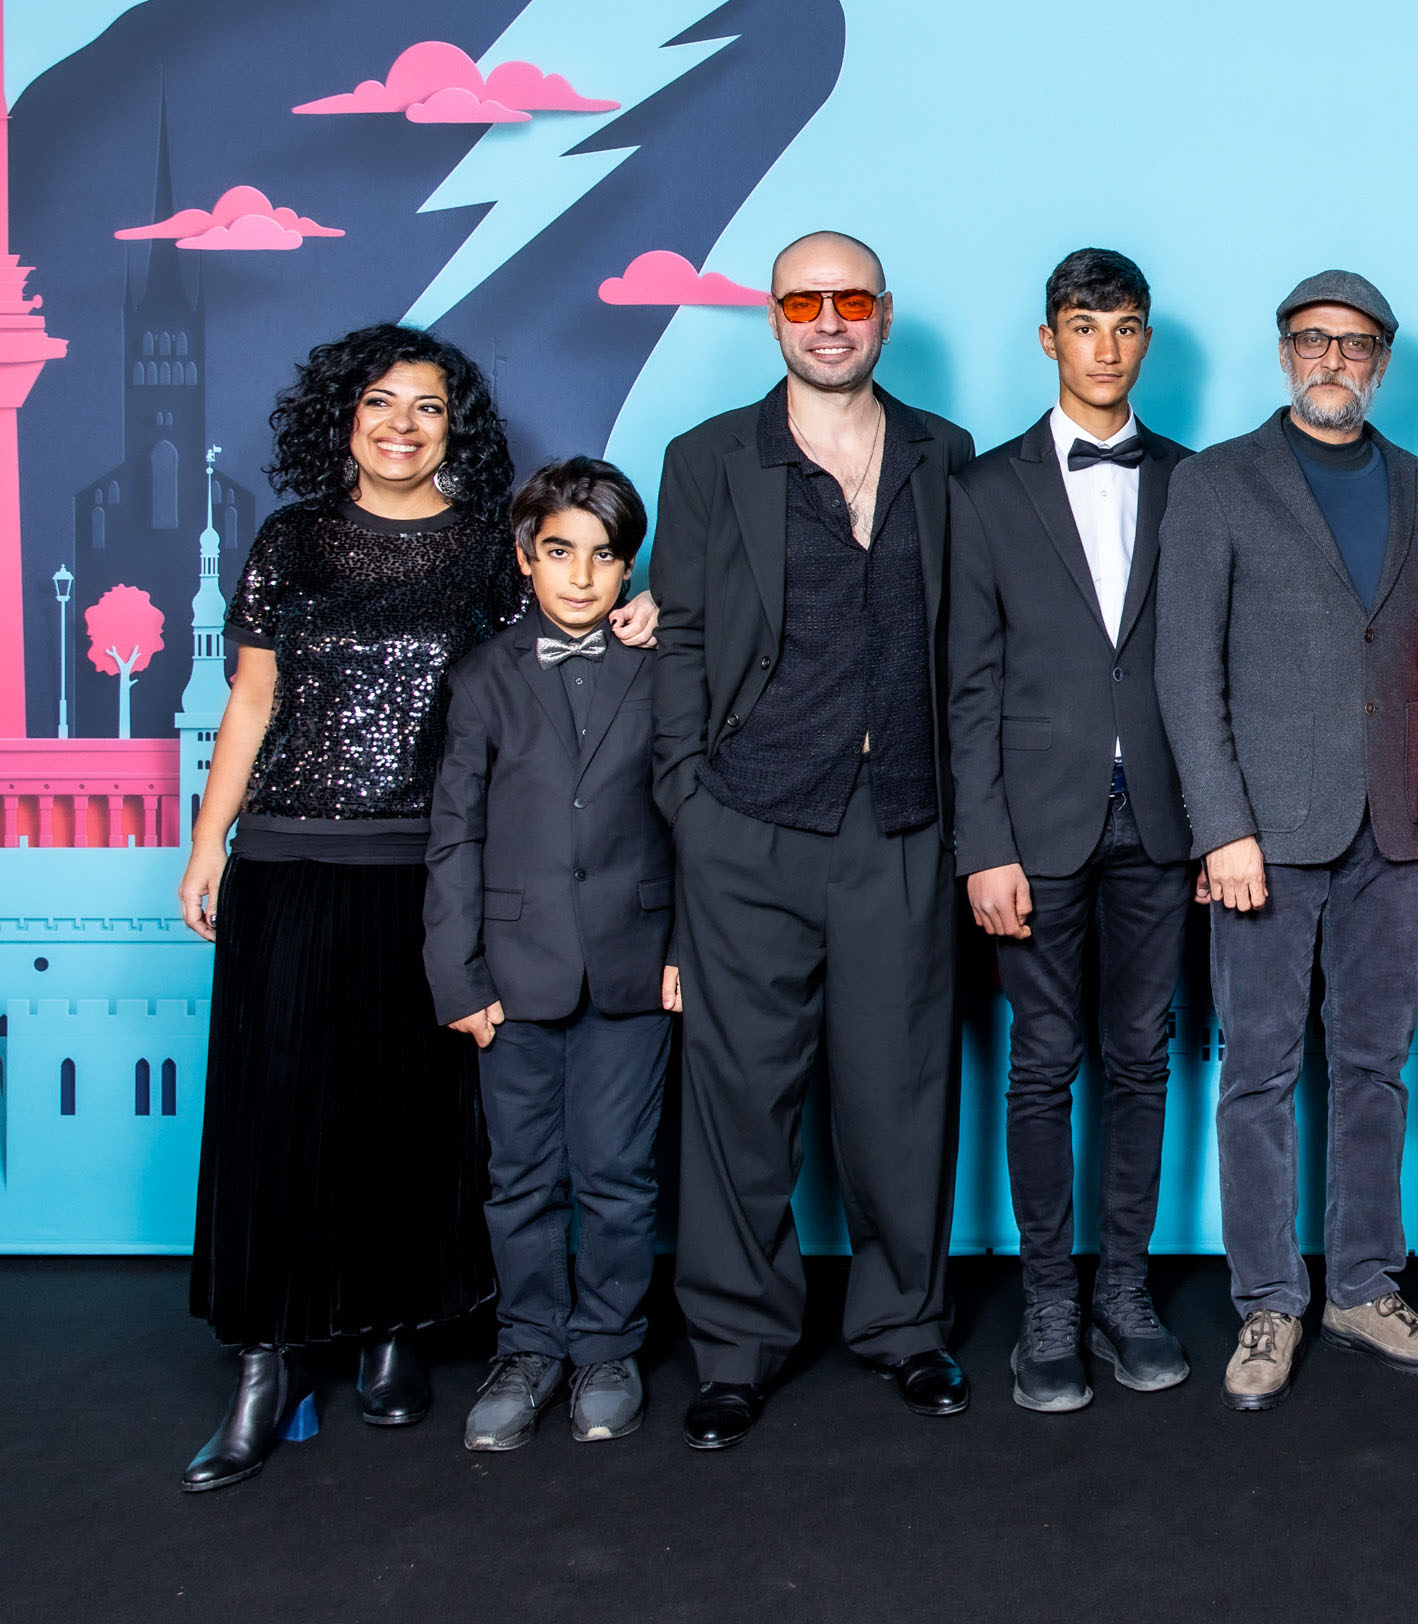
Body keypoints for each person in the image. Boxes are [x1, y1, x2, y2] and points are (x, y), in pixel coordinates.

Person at [173, 324, 657, 1491]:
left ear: (456, 426)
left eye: (428, 406)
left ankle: (394, 1328)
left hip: (435, 871)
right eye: (381, 402)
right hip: (292, 856)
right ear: (343, 418)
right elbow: (252, 699)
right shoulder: (292, 538)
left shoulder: (494, 546)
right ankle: (267, 1360)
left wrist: (646, 612)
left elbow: (557, 641)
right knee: (280, 1113)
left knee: (413, 1116)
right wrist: (207, 838)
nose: (402, 424)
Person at [648, 231, 978, 1450]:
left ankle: (905, 1324)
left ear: (883, 313)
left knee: (903, 1094)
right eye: (803, 302)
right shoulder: (707, 458)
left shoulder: (947, 454)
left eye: (849, 299)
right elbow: (681, 632)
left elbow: (973, 644)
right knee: (740, 1099)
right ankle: (736, 1346)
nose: (827, 320)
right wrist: (689, 795)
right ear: (773, 316)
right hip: (747, 821)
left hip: (901, 820)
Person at [1157, 269, 1418, 1410]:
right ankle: (1270, 1301)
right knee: (1260, 1073)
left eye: (1356, 343)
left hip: (1394, 827)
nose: (1334, 359)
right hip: (1265, 838)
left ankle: (1365, 1286)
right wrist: (1222, 828)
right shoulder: (1217, 480)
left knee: (1376, 1067)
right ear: (1285, 352)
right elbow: (1187, 671)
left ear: (1382, 360)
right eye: (1313, 339)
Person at [948, 248, 1195, 1412]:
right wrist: (983, 844)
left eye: (1127, 325)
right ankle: (1049, 1298)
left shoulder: (1195, 480)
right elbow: (967, 682)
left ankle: (1126, 1291)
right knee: (1043, 1064)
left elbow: (1213, 661)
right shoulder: (984, 489)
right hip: (1034, 825)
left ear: (1146, 339)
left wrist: (1218, 824)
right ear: (1049, 339)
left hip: (1163, 819)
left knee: (1142, 1058)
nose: (1107, 346)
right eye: (1086, 325)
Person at [424, 457, 678, 1450]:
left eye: (604, 556)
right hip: (512, 972)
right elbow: (455, 836)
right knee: (523, 1178)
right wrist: (458, 974)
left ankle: (608, 1346)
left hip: (634, 962)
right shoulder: (482, 676)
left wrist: (687, 948)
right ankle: (528, 1346)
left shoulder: (665, 665)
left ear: (629, 566)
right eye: (561, 551)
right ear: (526, 555)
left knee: (618, 1173)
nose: (581, 575)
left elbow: (694, 820)